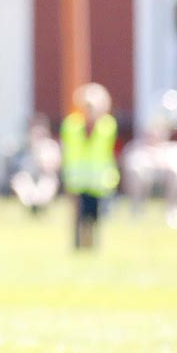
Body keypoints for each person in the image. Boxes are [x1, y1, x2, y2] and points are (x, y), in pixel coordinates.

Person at [60, 83, 119, 251]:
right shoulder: (71, 125)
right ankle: (78, 247)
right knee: (78, 217)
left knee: (95, 218)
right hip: (77, 181)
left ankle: (94, 247)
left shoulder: (107, 126)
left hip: (99, 182)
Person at [121, 111, 177, 228]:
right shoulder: (138, 148)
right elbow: (132, 164)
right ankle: (137, 209)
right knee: (136, 172)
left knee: (175, 172)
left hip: (166, 178)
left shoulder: (174, 148)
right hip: (145, 179)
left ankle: (172, 209)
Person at [9, 114, 62, 215]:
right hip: (29, 177)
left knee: (47, 183)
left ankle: (40, 206)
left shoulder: (50, 146)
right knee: (22, 181)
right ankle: (31, 206)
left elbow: (55, 165)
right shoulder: (24, 146)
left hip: (45, 177)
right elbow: (18, 166)